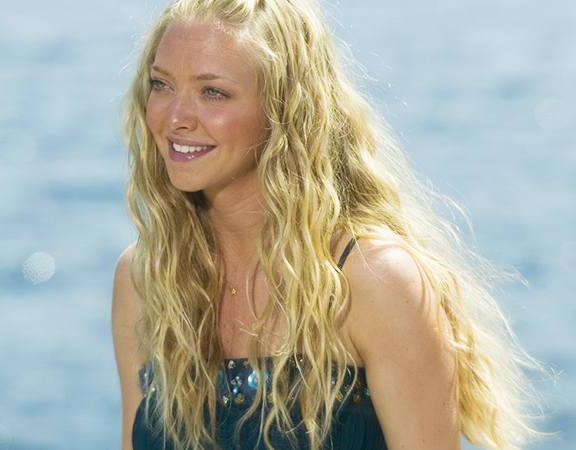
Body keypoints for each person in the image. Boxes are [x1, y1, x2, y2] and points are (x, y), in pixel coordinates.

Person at [112, 0, 541, 449]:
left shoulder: (377, 283)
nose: (174, 117)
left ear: (284, 109)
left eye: (212, 92)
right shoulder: (145, 279)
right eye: (161, 84)